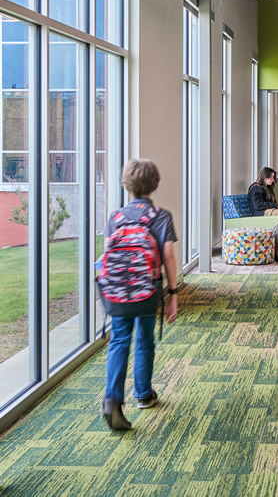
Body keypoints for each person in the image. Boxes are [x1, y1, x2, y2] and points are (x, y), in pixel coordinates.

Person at [101, 159, 178, 431]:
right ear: (154, 185)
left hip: (118, 292)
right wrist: (173, 294)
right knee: (145, 340)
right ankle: (143, 394)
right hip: (147, 290)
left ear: (127, 185)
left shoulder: (115, 218)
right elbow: (167, 257)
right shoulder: (161, 216)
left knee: (119, 340)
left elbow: (109, 256)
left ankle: (112, 400)